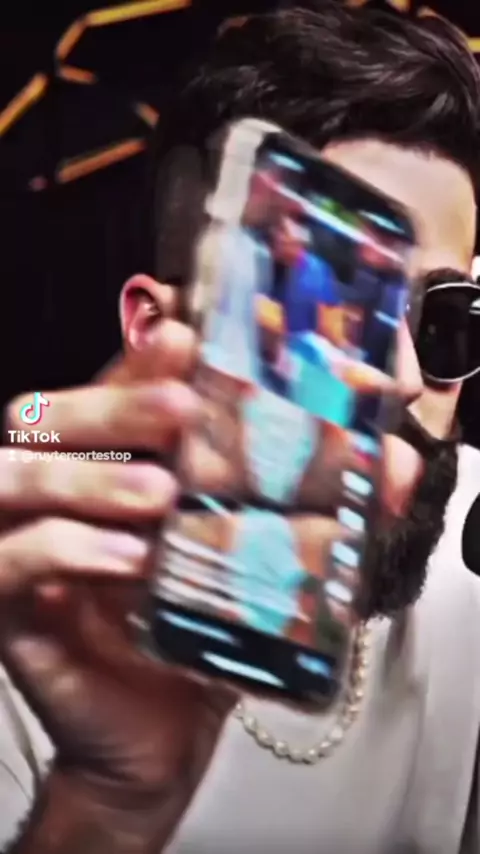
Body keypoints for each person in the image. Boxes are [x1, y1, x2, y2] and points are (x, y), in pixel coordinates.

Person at [2, 2, 480, 852]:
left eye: (445, 320)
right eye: (339, 310)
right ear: (159, 331)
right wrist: (105, 808)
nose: (407, 379)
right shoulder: (39, 613)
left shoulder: (470, 554)